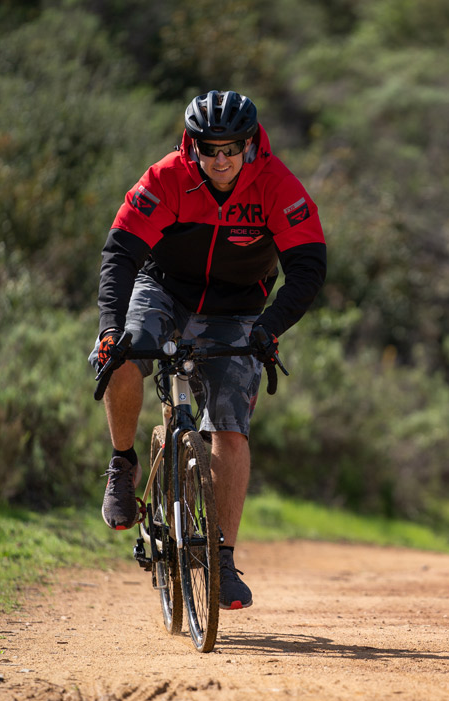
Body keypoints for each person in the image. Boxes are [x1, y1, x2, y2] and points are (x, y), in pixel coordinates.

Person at [90, 90, 327, 610]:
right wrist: (110, 328)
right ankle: (123, 462)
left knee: (231, 431)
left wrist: (270, 328)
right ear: (192, 145)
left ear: (250, 145)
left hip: (239, 307)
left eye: (231, 149)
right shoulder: (166, 177)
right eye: (209, 149)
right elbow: (119, 254)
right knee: (123, 356)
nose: (221, 161)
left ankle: (221, 557)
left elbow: (308, 268)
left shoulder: (276, 185)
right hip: (165, 289)